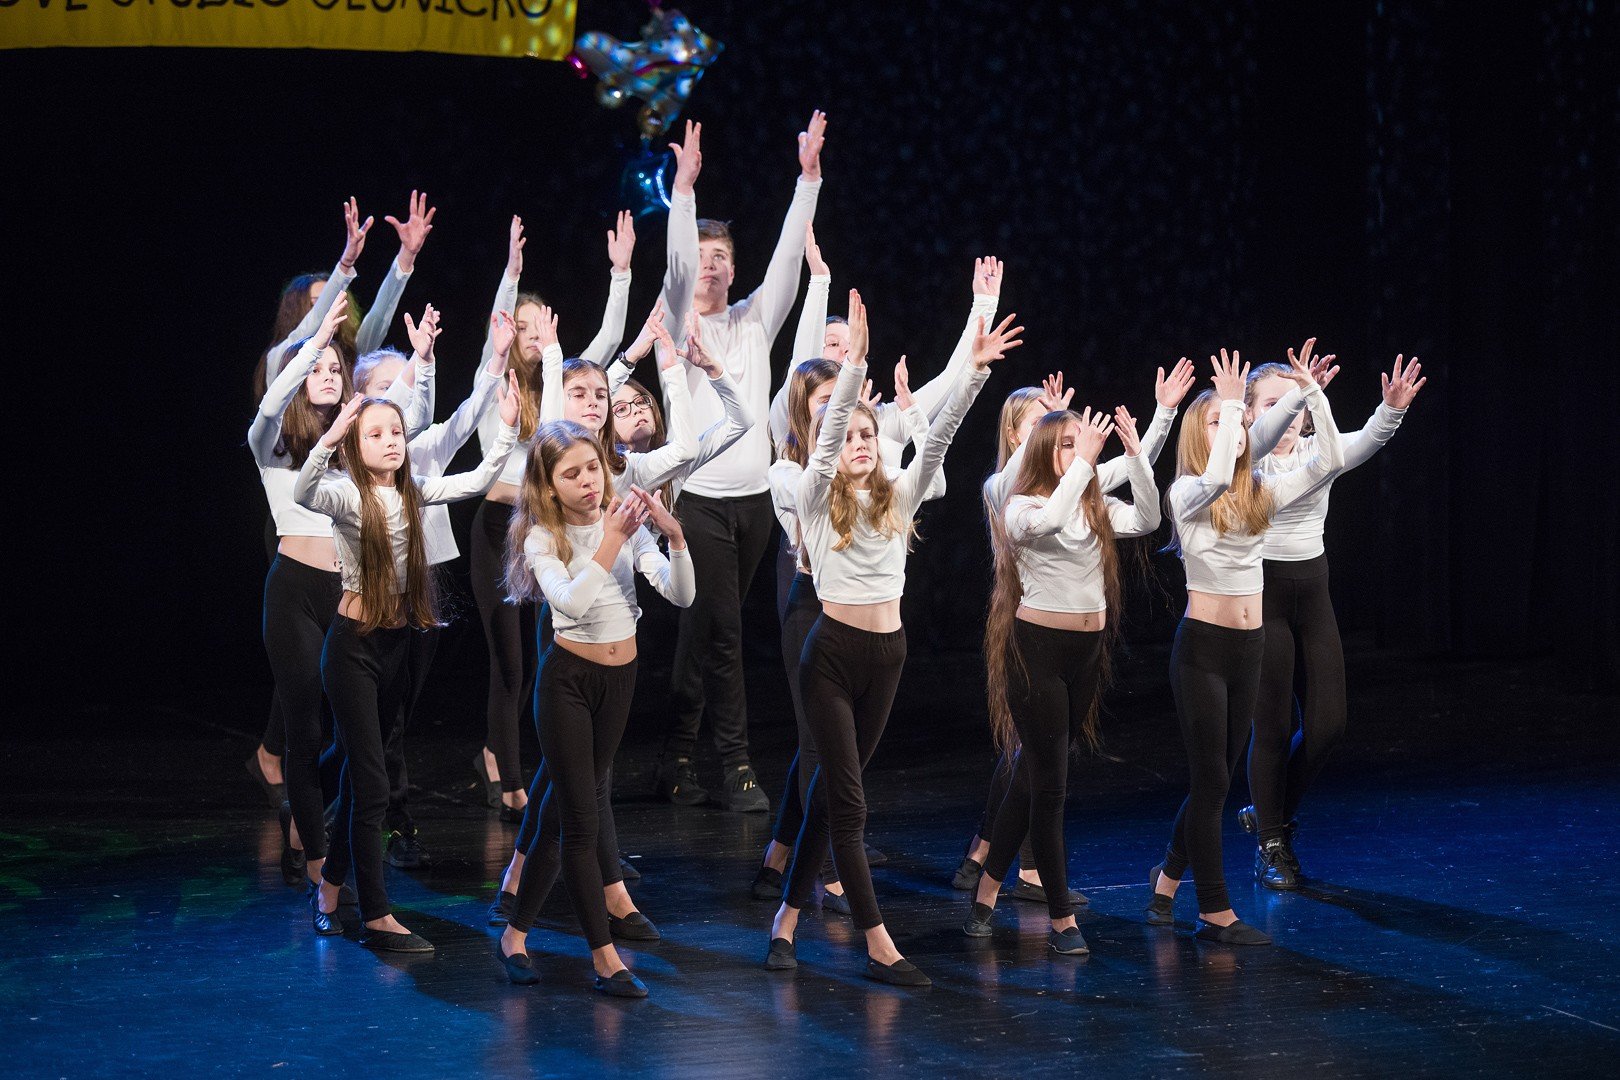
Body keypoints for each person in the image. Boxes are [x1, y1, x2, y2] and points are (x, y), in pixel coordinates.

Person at [765, 292, 1017, 986]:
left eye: (866, 434)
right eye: (844, 433)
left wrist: (974, 372)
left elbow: (938, 439)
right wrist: (856, 366)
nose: (856, 442)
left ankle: (784, 919)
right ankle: (879, 943)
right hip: (830, 658)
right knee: (849, 804)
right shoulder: (810, 493)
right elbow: (825, 443)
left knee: (830, 798)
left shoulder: (899, 495)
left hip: (888, 657)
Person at [294, 380, 520, 952]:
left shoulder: (414, 490)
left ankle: (328, 893)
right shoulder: (347, 496)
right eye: (375, 434)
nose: (391, 440)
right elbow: (303, 490)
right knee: (372, 785)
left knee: (360, 782)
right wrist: (332, 436)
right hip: (352, 650)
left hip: (396, 647)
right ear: (355, 445)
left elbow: (476, 480)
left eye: (395, 431)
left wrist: (509, 429)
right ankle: (376, 916)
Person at [652, 114, 825, 811]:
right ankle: (736, 764)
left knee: (704, 629)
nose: (712, 264)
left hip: (754, 506)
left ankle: (675, 756)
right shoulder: (676, 319)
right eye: (703, 254)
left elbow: (787, 261)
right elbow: (675, 272)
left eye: (722, 254)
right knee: (724, 631)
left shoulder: (754, 319)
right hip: (698, 502)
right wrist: (683, 193)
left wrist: (807, 180)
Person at [1146, 345, 1343, 945]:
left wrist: (1311, 394)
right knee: (1212, 780)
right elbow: (1213, 478)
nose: (1229, 426)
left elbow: (1330, 460)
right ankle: (1215, 912)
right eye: (1215, 421)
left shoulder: (1259, 495)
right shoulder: (1186, 493)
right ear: (1200, 436)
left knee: (1217, 780)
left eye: (1230, 419)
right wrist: (1233, 407)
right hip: (1202, 651)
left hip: (1249, 648)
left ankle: (1166, 880)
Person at [496, 424, 694, 996]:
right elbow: (571, 603)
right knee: (580, 824)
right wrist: (611, 539)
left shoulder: (624, 524)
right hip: (568, 685)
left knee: (559, 818)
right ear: (548, 486)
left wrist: (675, 539)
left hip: (619, 680)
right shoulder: (543, 537)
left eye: (592, 468)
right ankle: (605, 958)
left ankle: (514, 935)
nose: (588, 480)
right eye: (572, 473)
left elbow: (681, 594)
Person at [964, 406, 1160, 955]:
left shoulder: (1092, 506)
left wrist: (1137, 457)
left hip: (1085, 654)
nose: (1081, 452)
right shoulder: (1020, 506)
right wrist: (1086, 466)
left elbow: (1148, 519)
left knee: (1033, 779)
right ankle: (1060, 919)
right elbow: (1050, 521)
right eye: (1068, 444)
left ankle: (986, 892)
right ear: (1043, 451)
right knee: (1051, 788)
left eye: (1083, 443)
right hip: (1037, 654)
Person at [1239, 351, 1425, 887]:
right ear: (1250, 413)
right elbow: (1283, 453)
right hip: (1263, 592)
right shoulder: (1243, 459)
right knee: (1273, 727)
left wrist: (1391, 410)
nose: (1287, 415)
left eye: (1295, 403)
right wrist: (1303, 395)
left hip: (1312, 591)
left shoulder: (1320, 451)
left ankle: (1269, 814)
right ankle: (1272, 843)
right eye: (1273, 404)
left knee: (1329, 726)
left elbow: (1363, 441)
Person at [471, 215, 636, 820]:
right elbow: (501, 326)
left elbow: (609, 344)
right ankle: (507, 775)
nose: (532, 335)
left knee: (547, 656)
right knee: (509, 661)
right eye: (522, 326)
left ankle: (534, 772)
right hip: (499, 528)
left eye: (541, 326)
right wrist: (511, 274)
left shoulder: (561, 390)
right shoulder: (495, 381)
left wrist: (621, 274)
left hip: (550, 530)